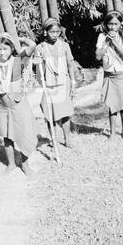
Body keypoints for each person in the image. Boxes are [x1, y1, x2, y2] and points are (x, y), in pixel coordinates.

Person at [0, 32, 38, 176]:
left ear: (11, 48)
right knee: (7, 137)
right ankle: (11, 164)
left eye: (5, 49)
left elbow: (32, 45)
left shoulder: (18, 60)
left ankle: (25, 165)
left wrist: (20, 39)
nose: (1, 52)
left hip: (18, 105)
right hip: (2, 106)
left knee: (24, 135)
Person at [34, 17, 76, 148]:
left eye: (58, 32)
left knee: (65, 112)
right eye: (52, 32)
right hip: (49, 85)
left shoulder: (64, 46)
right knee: (49, 113)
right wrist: (38, 64)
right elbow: (38, 72)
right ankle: (53, 138)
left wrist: (73, 82)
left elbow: (70, 64)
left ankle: (67, 139)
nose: (55, 34)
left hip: (64, 83)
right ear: (46, 32)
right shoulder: (40, 48)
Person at [96, 11, 123, 140]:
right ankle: (112, 132)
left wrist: (116, 43)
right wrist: (107, 43)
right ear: (106, 25)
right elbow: (98, 56)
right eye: (110, 24)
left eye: (115, 24)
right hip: (109, 74)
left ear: (121, 24)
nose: (112, 27)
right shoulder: (102, 37)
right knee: (112, 105)